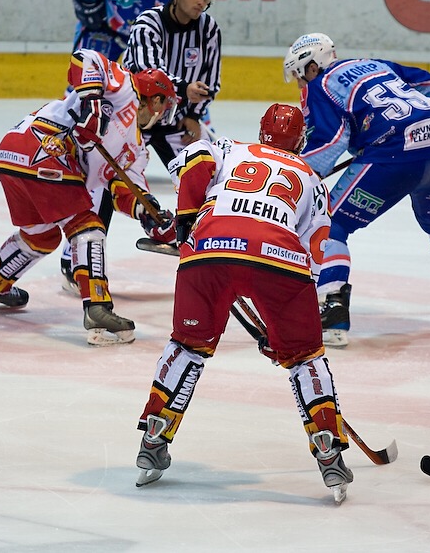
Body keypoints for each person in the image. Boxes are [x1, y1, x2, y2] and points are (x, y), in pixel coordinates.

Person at [134, 103, 353, 504]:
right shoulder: (313, 180)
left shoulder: (229, 148)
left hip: (208, 250)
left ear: (262, 131)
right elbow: (315, 253)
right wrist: (285, 332)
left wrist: (186, 223)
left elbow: (195, 161)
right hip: (281, 261)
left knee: (187, 346)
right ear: (301, 140)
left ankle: (154, 434)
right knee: (305, 356)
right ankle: (327, 445)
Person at [0, 50, 177, 346]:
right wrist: (93, 102)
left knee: (41, 237)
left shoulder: (136, 151)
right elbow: (85, 58)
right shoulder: (126, 88)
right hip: (44, 144)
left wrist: (150, 215)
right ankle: (97, 308)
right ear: (155, 100)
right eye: (165, 105)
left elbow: (124, 189)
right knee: (88, 227)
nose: (164, 114)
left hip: (13, 158)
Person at [283, 32, 430, 348]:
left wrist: (294, 175)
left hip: (392, 160)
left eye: (300, 76)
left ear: (312, 66)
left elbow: (330, 143)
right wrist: (402, 127)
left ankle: (332, 307)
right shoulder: (374, 65)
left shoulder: (322, 84)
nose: (301, 85)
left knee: (329, 224)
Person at [58, 0, 178, 288]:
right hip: (105, 37)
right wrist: (86, 0)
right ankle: (65, 142)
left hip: (140, 46)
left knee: (149, 104)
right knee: (84, 98)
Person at [122, 0, 221, 167]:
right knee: (109, 177)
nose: (201, 2)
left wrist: (194, 115)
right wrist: (185, 89)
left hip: (178, 121)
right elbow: (149, 75)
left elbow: (210, 80)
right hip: (135, 118)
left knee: (212, 171)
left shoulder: (209, 29)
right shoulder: (147, 23)